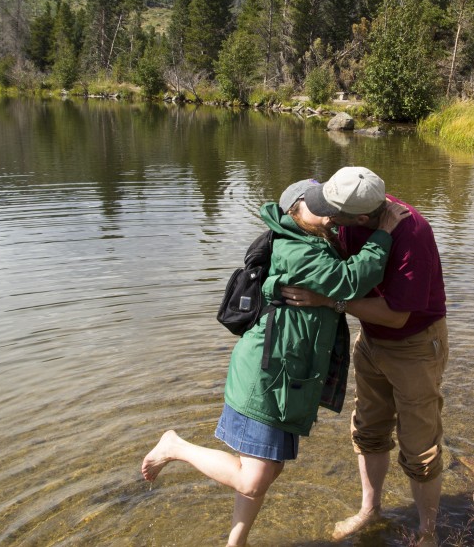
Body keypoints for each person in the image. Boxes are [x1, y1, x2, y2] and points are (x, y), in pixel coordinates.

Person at [140, 179, 408, 547]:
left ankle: (236, 543)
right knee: (253, 477)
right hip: (268, 376)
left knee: (264, 470)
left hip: (285, 374)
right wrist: (384, 233)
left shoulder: (317, 237)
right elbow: (351, 281)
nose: (330, 211)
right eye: (319, 204)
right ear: (293, 211)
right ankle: (175, 447)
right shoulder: (297, 251)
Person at [282, 167, 448, 547]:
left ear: (359, 217)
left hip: (415, 344)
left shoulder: (413, 233)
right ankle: (370, 510)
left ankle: (428, 533)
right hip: (371, 339)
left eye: (331, 212)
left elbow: (396, 315)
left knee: (419, 445)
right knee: (368, 430)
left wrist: (328, 301)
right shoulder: (350, 206)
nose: (325, 215)